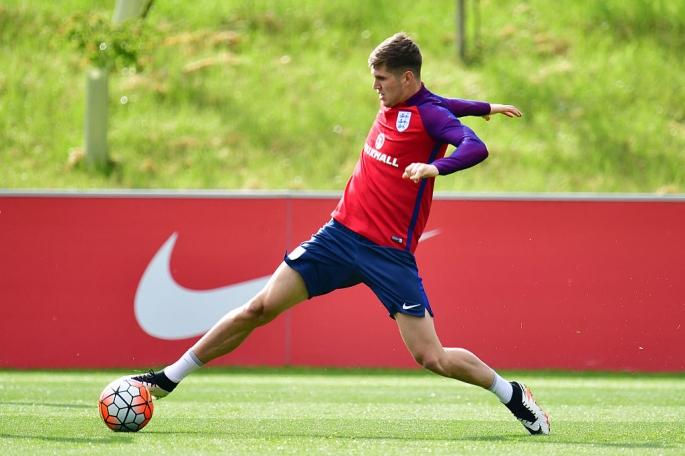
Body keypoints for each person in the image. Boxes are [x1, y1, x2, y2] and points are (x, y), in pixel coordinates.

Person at [133, 32, 549, 435]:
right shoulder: (408, 101)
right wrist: (484, 105)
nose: (375, 87)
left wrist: (435, 167)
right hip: (338, 235)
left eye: (381, 78)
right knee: (258, 309)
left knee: (432, 358)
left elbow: (474, 146)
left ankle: (511, 393)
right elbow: (445, 102)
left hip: (388, 254)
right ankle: (168, 379)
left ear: (407, 78)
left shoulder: (431, 116)